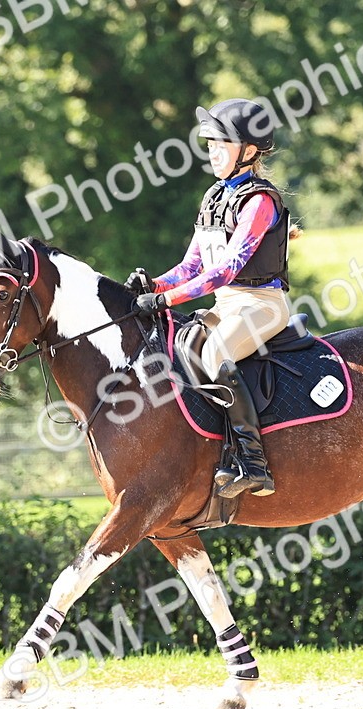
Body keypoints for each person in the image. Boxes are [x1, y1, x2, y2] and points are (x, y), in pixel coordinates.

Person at [129, 98, 295, 498]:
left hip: (261, 305)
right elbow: (189, 266)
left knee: (216, 355)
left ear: (249, 151)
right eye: (209, 144)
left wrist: (167, 302)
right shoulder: (214, 197)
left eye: (221, 144)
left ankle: (254, 464)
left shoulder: (260, 202)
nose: (212, 152)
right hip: (227, 305)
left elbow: (223, 272)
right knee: (180, 350)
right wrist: (152, 285)